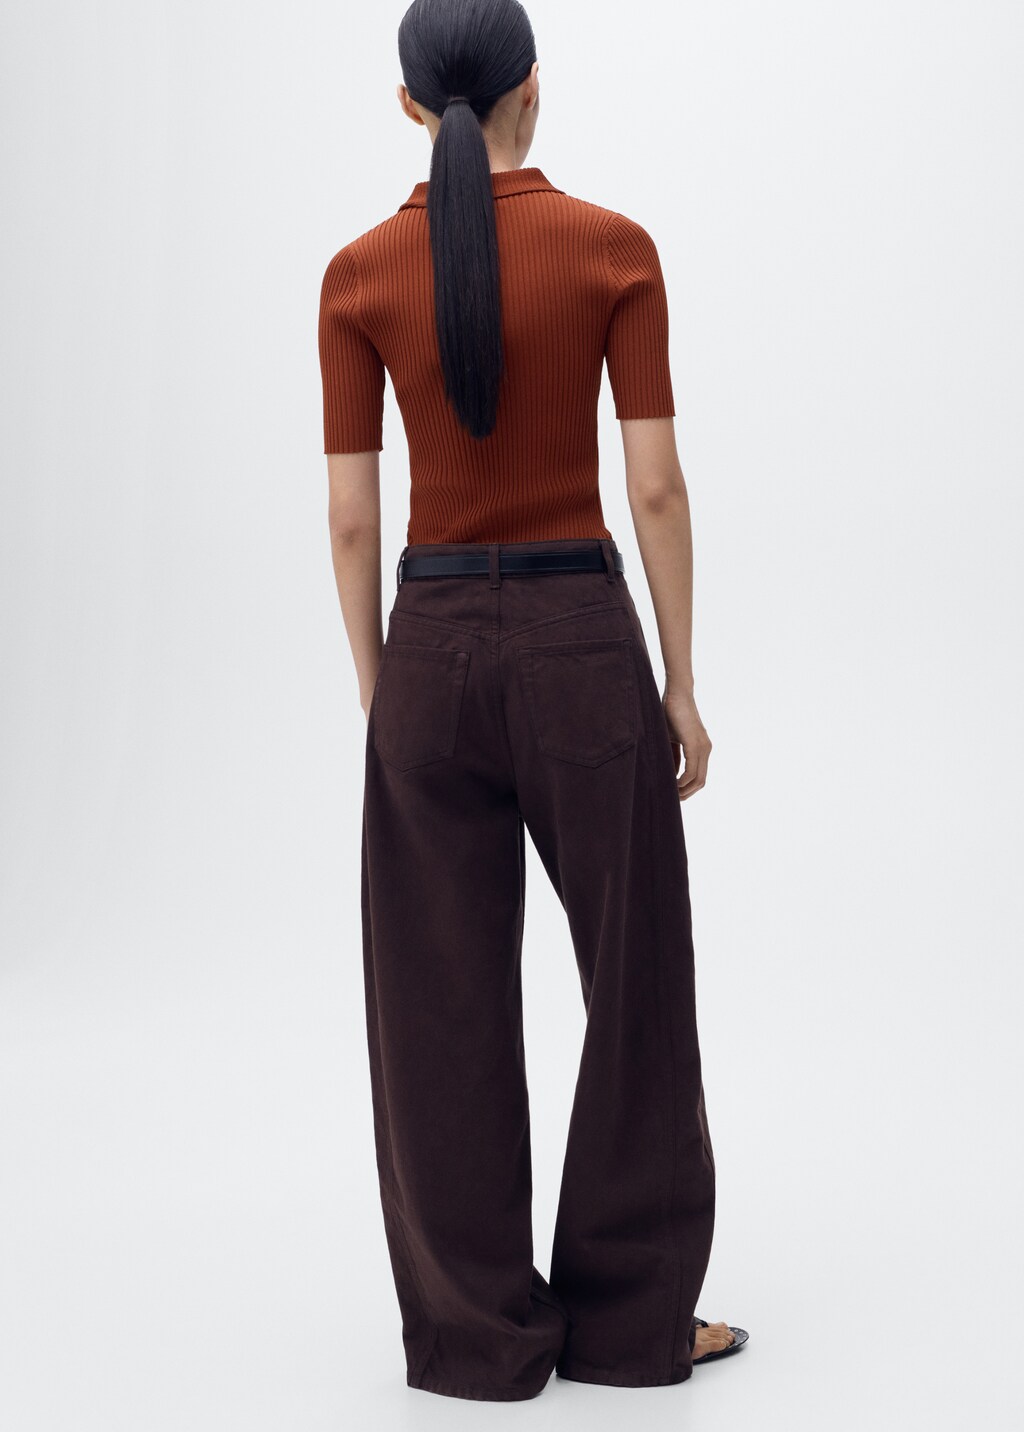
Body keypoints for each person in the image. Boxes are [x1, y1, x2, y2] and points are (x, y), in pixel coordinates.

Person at [317, 0, 747, 1402]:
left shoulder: (357, 275)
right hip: (580, 644)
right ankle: (630, 1324)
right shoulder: (614, 249)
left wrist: (385, 691)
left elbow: (350, 519)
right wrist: (680, 681)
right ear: (535, 88)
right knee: (636, 977)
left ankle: (477, 1336)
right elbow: (657, 487)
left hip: (431, 645)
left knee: (434, 1003)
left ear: (407, 108)